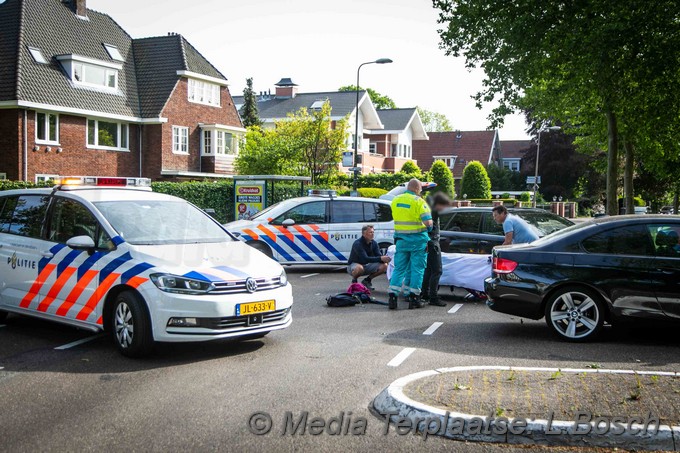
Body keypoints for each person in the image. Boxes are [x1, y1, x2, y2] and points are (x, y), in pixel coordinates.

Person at [388, 179, 433, 310]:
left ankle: (392, 297)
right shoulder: (419, 201)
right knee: (417, 269)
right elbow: (428, 223)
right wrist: (430, 228)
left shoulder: (396, 200)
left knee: (399, 269)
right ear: (418, 189)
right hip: (418, 241)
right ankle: (414, 298)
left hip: (401, 241)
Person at [421, 192, 451, 307]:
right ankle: (433, 297)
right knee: (437, 271)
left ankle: (425, 293)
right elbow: (430, 228)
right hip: (432, 243)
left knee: (428, 270)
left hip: (428, 243)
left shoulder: (428, 210)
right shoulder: (433, 212)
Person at [347, 224, 391, 290]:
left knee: (384, 265)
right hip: (354, 265)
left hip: (367, 265)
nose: (372, 234)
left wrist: (386, 259)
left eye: (373, 232)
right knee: (359, 268)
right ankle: (354, 281)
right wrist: (380, 258)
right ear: (364, 234)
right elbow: (365, 259)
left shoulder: (374, 243)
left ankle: (367, 281)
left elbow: (379, 256)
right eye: (370, 232)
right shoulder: (358, 244)